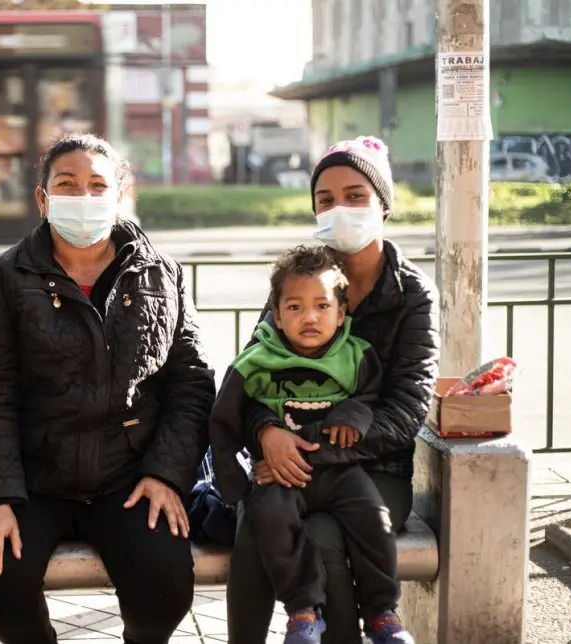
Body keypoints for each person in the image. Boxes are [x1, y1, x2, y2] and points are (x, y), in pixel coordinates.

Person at [0, 133, 216, 644]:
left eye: (97, 185)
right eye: (67, 184)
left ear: (119, 193)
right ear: (42, 198)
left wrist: (166, 474)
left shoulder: (161, 274)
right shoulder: (5, 277)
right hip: (34, 480)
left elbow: (191, 384)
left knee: (166, 586)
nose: (83, 197)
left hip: (128, 476)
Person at [209, 136, 440, 644]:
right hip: (286, 458)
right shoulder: (298, 280)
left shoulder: (412, 294)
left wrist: (308, 450)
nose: (340, 209)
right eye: (326, 200)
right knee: (254, 523)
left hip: (374, 468)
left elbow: (407, 408)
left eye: (356, 196)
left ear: (383, 204)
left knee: (324, 536)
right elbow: (254, 375)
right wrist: (266, 431)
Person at [211, 245, 414, 644]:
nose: (309, 317)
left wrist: (353, 414)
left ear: (341, 314)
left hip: (341, 472)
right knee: (267, 521)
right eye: (295, 307)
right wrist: (236, 486)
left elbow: (372, 396)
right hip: (281, 475)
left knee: (373, 517)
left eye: (322, 306)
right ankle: (303, 610)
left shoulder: (356, 355)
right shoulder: (256, 361)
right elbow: (225, 418)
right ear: (276, 312)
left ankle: (381, 614)